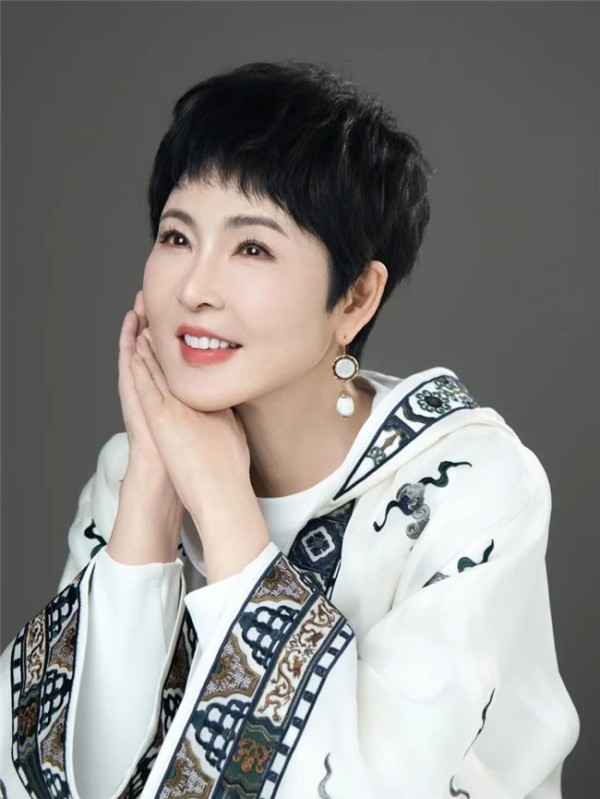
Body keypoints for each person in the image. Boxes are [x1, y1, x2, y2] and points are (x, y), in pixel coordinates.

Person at [0, 60, 579, 799]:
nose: (194, 288)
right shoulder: (132, 469)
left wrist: (224, 505)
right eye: (176, 237)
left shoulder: (471, 491)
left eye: (252, 248)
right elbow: (64, 778)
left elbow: (367, 787)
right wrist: (150, 493)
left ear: (356, 297)